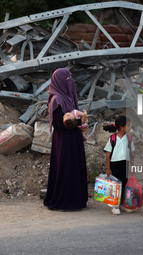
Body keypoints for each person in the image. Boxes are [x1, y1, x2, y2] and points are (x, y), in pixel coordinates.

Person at [44, 68, 88, 211]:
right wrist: (80, 122)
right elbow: (60, 123)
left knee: (74, 169)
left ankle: (77, 200)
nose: (71, 81)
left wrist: (80, 124)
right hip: (64, 142)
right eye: (68, 79)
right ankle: (65, 201)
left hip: (74, 140)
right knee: (66, 169)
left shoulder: (68, 97)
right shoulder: (57, 100)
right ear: (60, 81)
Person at [103, 115, 135, 215]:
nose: (130, 128)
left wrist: (132, 167)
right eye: (129, 125)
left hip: (125, 164)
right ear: (122, 127)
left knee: (124, 184)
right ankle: (115, 205)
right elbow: (108, 154)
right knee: (115, 185)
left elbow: (132, 154)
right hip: (114, 165)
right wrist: (108, 168)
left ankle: (123, 204)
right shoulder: (113, 138)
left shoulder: (129, 138)